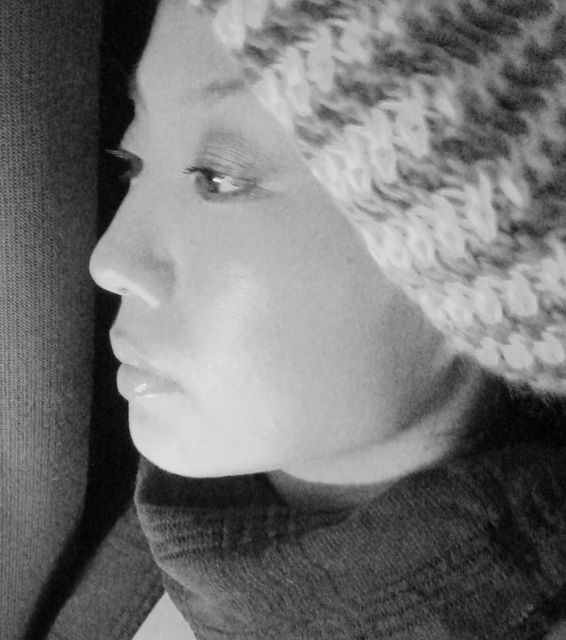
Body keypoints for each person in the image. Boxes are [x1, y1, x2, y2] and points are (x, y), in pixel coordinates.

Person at [89, 0, 566, 637]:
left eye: (217, 177)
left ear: (481, 261)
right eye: (133, 162)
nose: (110, 261)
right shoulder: (172, 529)